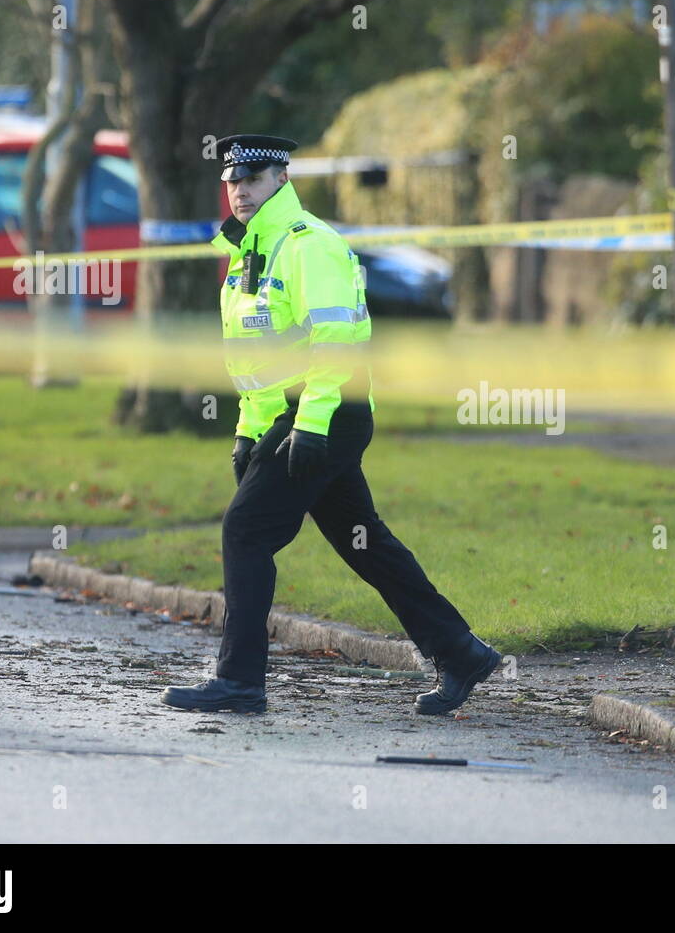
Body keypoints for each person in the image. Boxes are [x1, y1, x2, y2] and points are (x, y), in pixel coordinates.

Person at [160, 133, 500, 716]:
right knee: (364, 542)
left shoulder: (307, 245)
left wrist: (309, 427)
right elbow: (257, 363)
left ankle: (239, 681)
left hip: (329, 412)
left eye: (254, 179)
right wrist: (249, 431)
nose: (240, 191)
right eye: (233, 182)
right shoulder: (247, 254)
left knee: (245, 532)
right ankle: (460, 651)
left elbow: (336, 341)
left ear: (282, 181)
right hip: (299, 416)